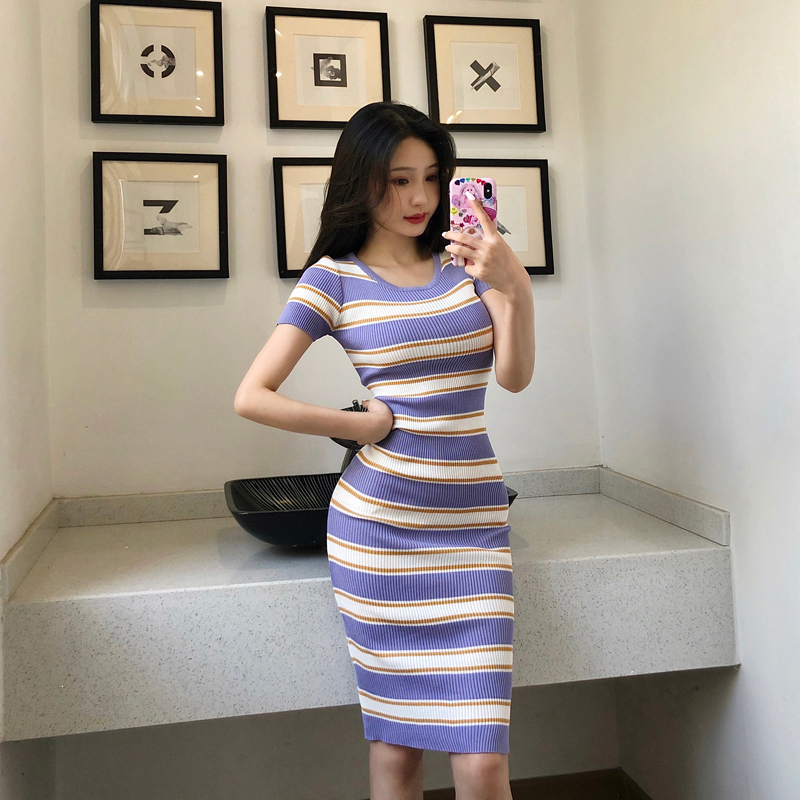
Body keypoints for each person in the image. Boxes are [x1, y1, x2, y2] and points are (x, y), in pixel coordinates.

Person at [234, 100, 535, 800]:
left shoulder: (469, 261)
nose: (419, 198)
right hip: (379, 533)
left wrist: (514, 283)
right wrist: (359, 428)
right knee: (396, 753)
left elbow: (514, 377)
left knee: (483, 760)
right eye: (399, 180)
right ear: (363, 181)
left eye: (431, 178)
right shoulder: (333, 279)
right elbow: (252, 395)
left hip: (473, 530)